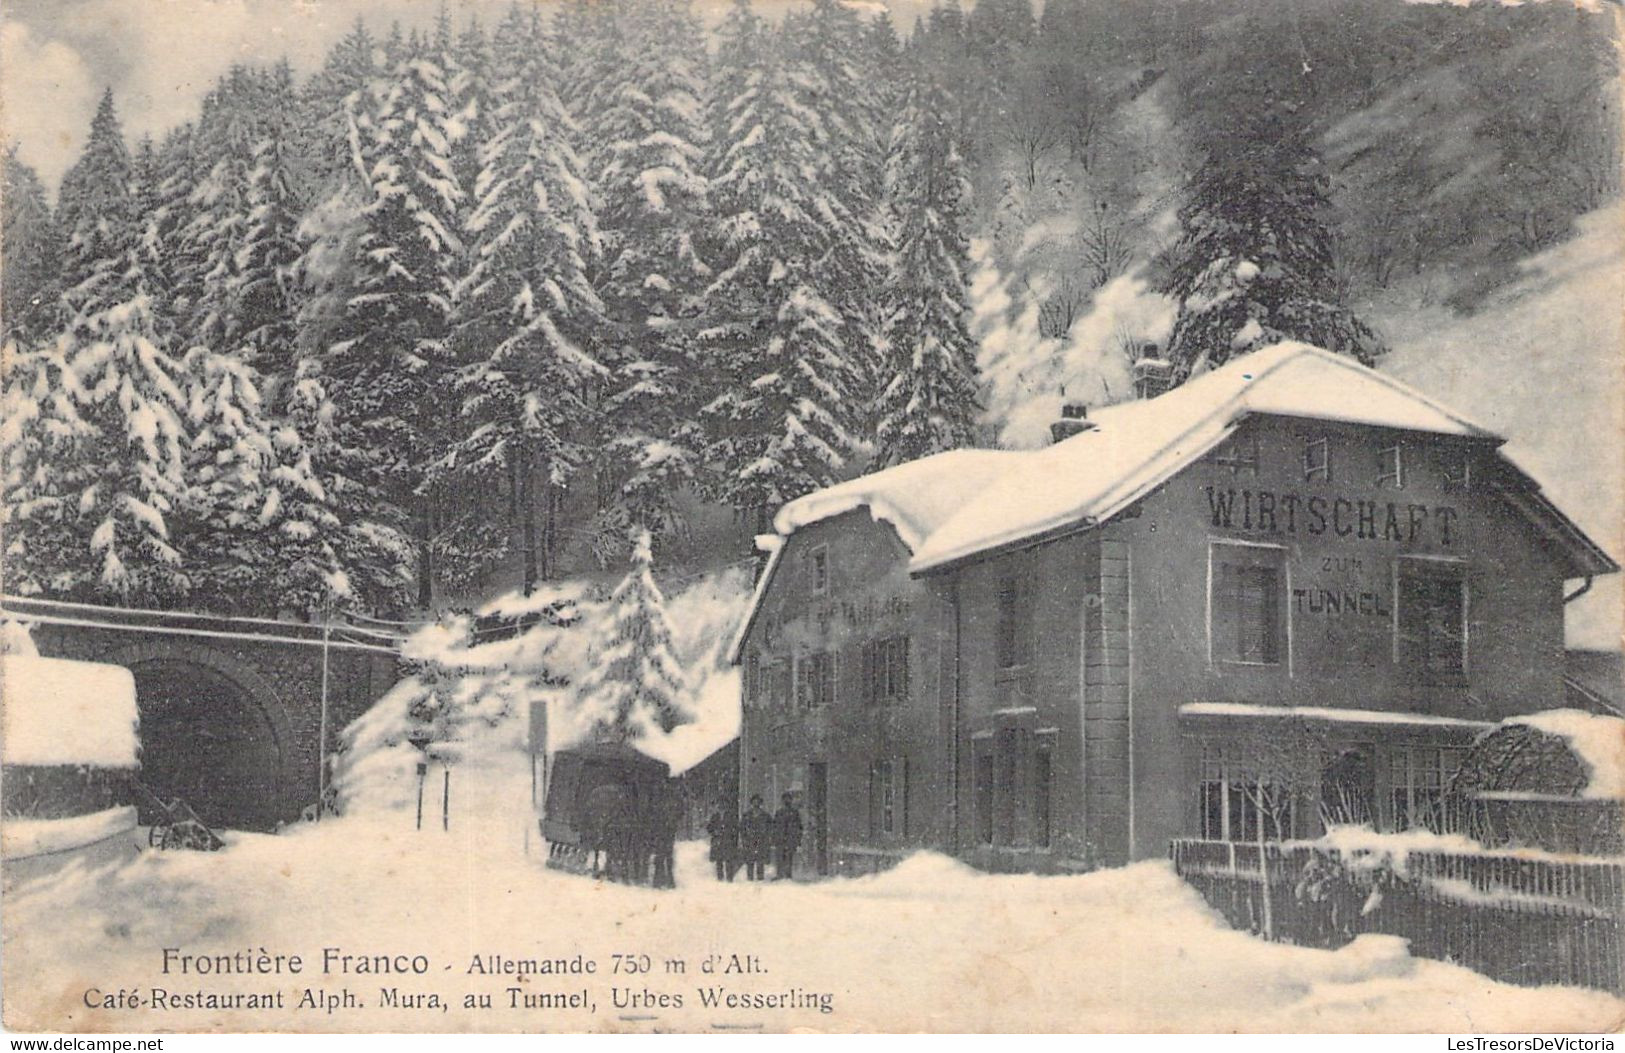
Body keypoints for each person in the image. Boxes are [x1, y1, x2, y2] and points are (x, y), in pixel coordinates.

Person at [739, 794, 772, 881]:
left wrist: (767, 838)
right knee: (750, 862)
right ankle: (750, 880)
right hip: (750, 841)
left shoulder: (766, 816)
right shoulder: (746, 815)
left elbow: (770, 828)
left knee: (760, 862)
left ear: (760, 803)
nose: (756, 804)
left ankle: (760, 880)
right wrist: (744, 839)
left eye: (758, 802)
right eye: (754, 801)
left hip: (761, 841)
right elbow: (742, 828)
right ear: (751, 803)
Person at [773, 792, 803, 881]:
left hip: (790, 839)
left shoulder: (794, 813)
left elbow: (798, 827)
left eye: (788, 799)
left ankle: (787, 875)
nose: (787, 801)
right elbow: (775, 826)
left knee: (789, 858)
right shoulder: (779, 812)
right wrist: (774, 838)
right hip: (781, 839)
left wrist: (797, 840)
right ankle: (780, 875)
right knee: (780, 858)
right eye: (785, 799)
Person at [706, 804, 739, 882]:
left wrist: (729, 833)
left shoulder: (731, 816)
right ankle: (720, 878)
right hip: (718, 840)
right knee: (719, 860)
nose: (721, 808)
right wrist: (714, 832)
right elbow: (709, 828)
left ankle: (729, 878)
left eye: (723, 806)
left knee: (728, 860)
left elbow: (735, 828)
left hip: (727, 840)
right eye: (720, 806)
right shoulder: (715, 816)